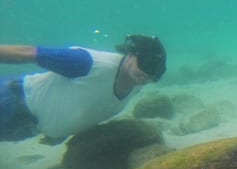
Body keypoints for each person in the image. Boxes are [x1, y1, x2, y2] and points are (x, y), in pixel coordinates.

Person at [0, 35, 166, 143]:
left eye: (152, 76)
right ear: (131, 54)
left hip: (24, 128)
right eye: (144, 66)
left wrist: (62, 131)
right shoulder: (88, 63)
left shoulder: (136, 84)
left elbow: (91, 105)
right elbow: (29, 53)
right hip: (10, 100)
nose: (145, 77)